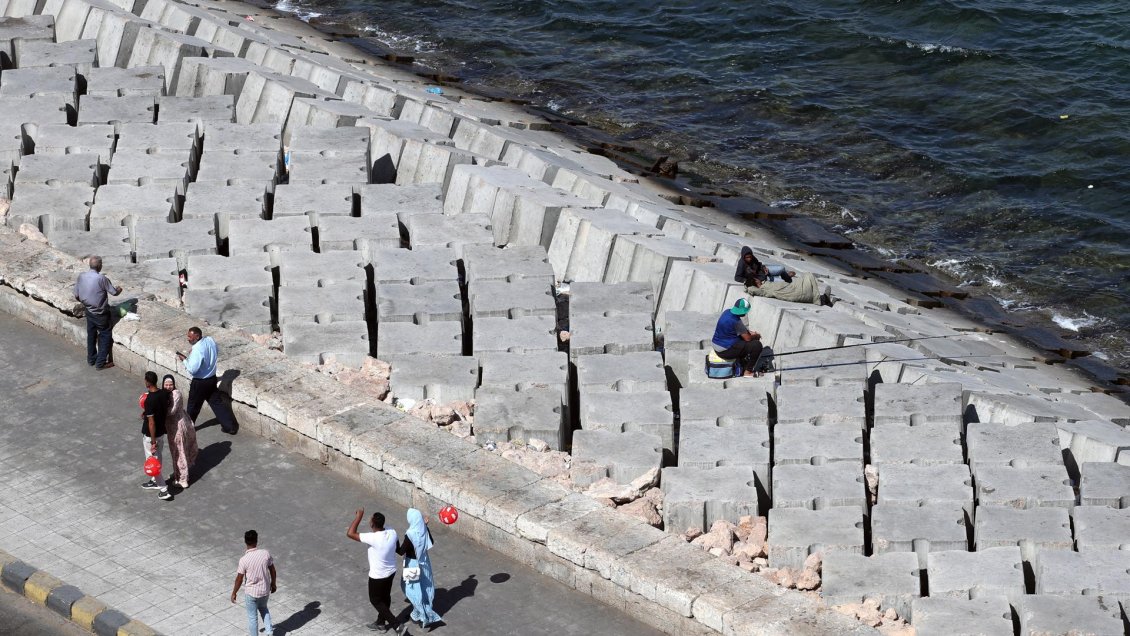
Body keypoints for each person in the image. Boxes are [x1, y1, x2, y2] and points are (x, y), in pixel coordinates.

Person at [347, 508, 406, 634]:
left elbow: (350, 533)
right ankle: (380, 623)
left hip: (378, 576)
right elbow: (397, 548)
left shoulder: (372, 538)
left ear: (372, 524)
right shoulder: (392, 531)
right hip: (391, 572)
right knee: (385, 598)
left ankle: (397, 625)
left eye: (370, 520)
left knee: (375, 600)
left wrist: (359, 516)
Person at [176, 327, 238, 434]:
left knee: (193, 407)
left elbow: (193, 370)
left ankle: (188, 429)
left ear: (197, 336)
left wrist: (185, 360)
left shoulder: (197, 349)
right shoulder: (210, 340)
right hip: (211, 379)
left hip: (200, 382)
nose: (188, 339)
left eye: (190, 337)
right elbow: (216, 351)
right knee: (216, 403)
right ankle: (230, 426)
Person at [73, 255, 121, 369]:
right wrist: (119, 289)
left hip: (89, 311)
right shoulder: (101, 279)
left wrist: (87, 301)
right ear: (99, 266)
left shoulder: (81, 276)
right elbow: (114, 293)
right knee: (105, 335)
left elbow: (76, 295)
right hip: (100, 313)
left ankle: (91, 359)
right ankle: (100, 363)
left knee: (91, 335)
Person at [397, 508, 442, 629]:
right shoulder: (423, 530)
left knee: (410, 588)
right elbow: (430, 542)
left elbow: (401, 551)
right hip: (425, 563)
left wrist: (394, 541)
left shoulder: (410, 534)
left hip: (412, 565)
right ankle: (419, 613)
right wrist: (425, 526)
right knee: (424, 586)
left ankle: (423, 615)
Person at [232, 530, 277, 636]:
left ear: (245, 542)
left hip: (251, 593)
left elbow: (239, 579)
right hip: (265, 590)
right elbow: (273, 570)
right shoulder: (265, 554)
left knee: (252, 618)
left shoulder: (244, 560)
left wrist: (234, 592)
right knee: (264, 609)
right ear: (256, 541)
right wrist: (273, 583)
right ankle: (270, 632)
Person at [140, 371, 174, 501]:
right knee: (158, 458)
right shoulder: (164, 394)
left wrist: (152, 442)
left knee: (153, 463)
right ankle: (154, 481)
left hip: (151, 437)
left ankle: (163, 489)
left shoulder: (149, 400)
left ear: (147, 382)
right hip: (161, 433)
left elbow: (151, 422)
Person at [162, 375, 199, 490]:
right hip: (172, 428)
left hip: (178, 428)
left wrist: (157, 407)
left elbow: (171, 411)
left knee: (179, 452)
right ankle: (178, 475)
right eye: (166, 385)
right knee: (176, 452)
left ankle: (183, 479)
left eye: (170, 384)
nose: (168, 387)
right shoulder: (167, 394)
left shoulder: (176, 394)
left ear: (174, 385)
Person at [711, 298, 763, 377]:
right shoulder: (736, 322)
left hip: (716, 346)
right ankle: (748, 372)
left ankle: (742, 361)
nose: (746, 313)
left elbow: (741, 331)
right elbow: (748, 338)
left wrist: (750, 333)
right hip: (724, 351)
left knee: (742, 341)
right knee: (756, 345)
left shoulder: (727, 312)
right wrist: (756, 336)